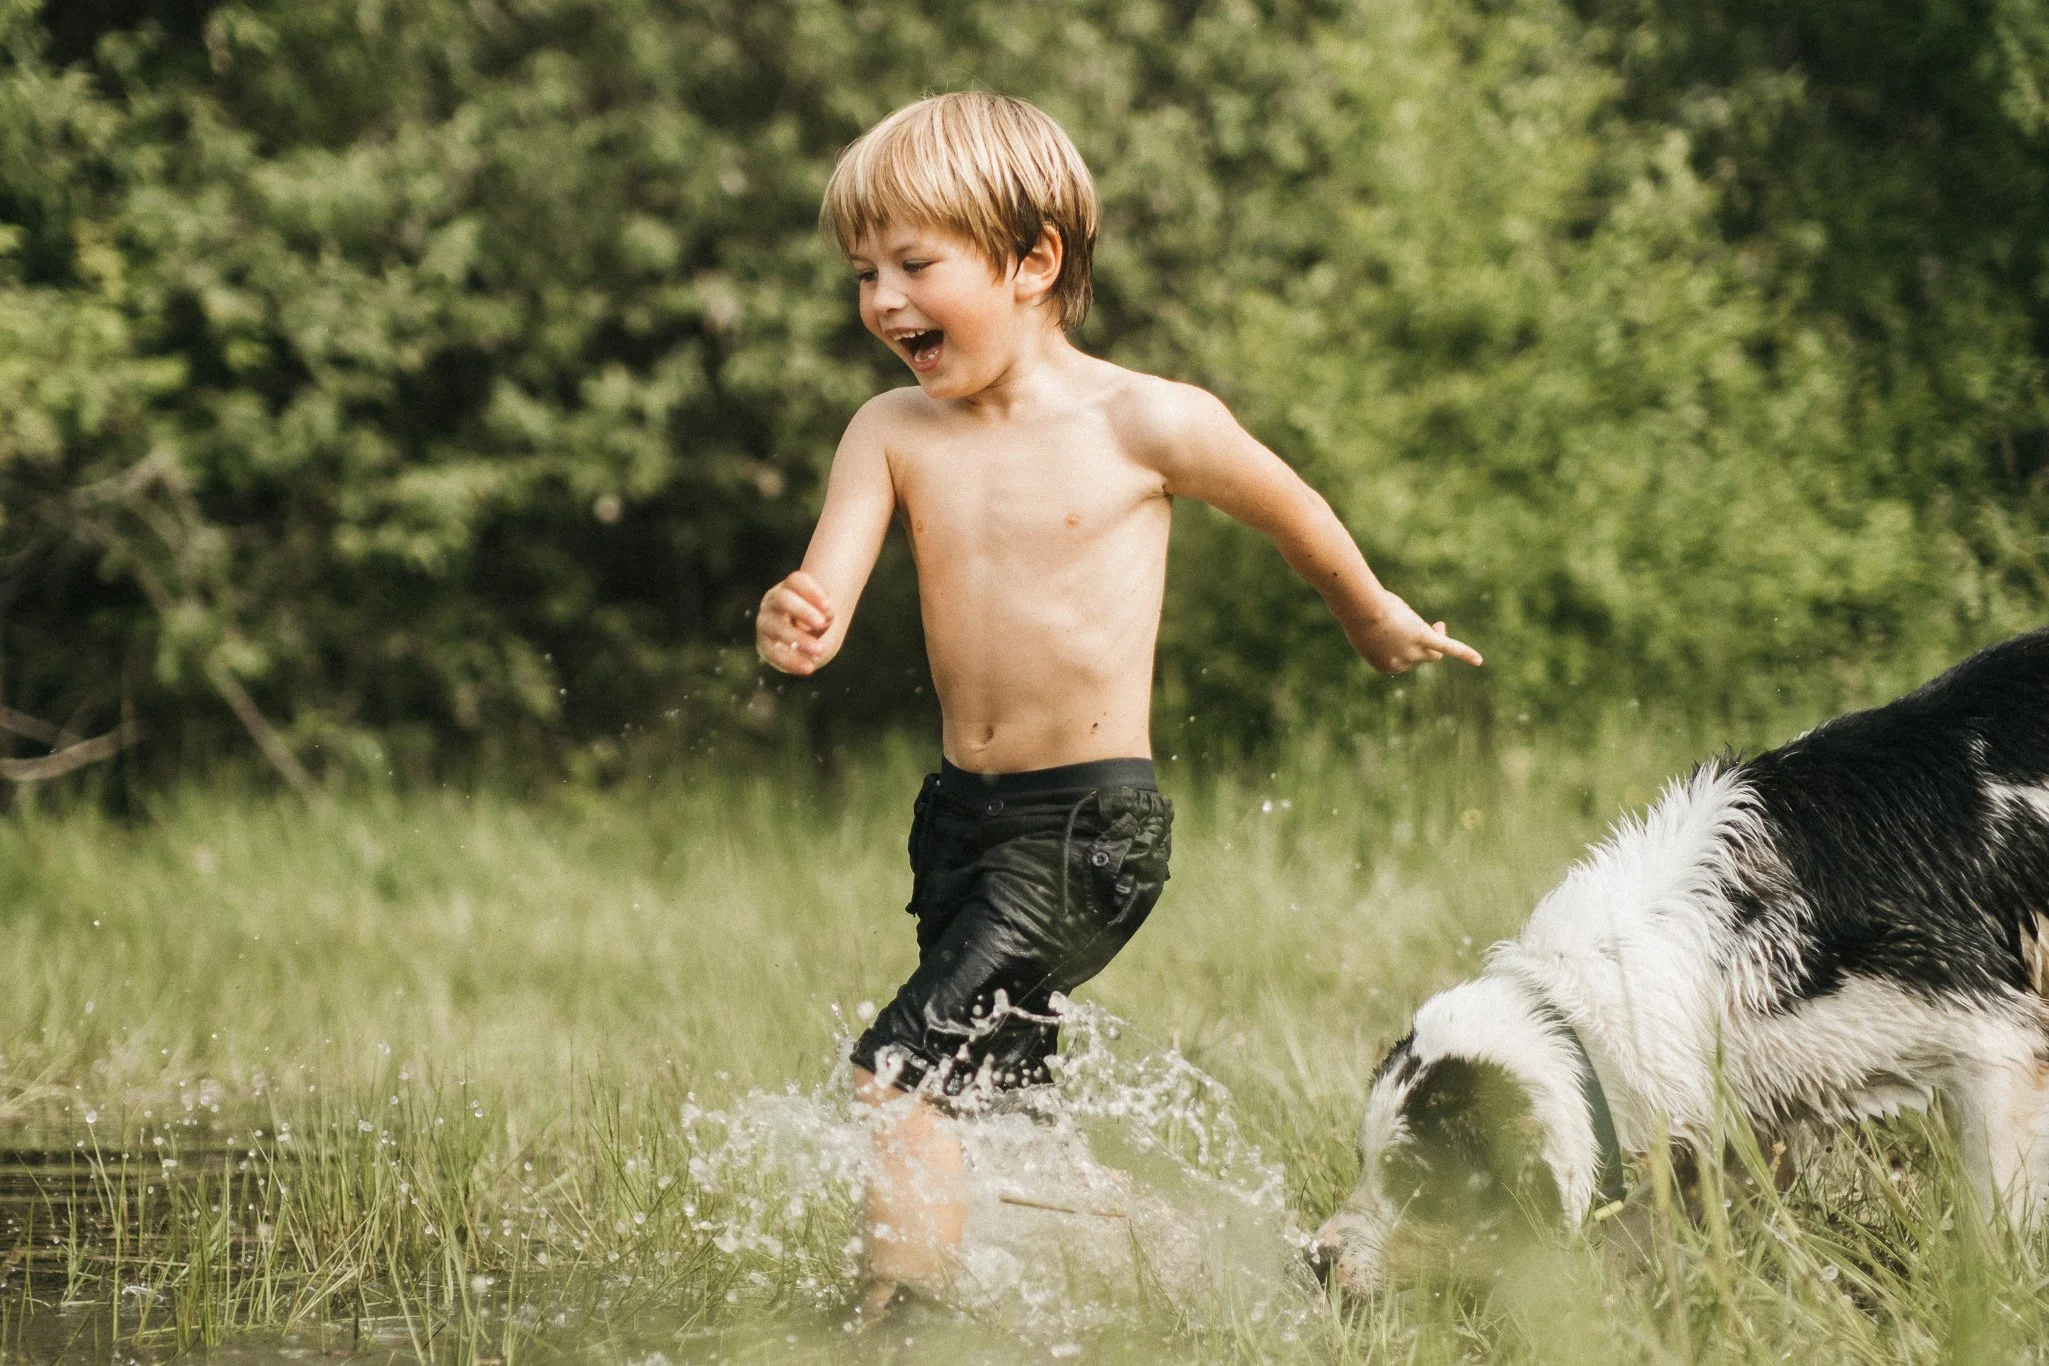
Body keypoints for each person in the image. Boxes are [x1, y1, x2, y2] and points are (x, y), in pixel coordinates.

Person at [755, 90, 1482, 1316]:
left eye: (914, 265)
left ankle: (892, 1319)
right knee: (995, 1113)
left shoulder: (1143, 420)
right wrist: (793, 620)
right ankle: (1265, 1275)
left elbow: (1295, 512)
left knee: (901, 1077)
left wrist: (1372, 617)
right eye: (864, 273)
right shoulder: (889, 429)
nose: (882, 301)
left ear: (1033, 260)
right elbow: (822, 583)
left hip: (1089, 830)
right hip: (962, 822)